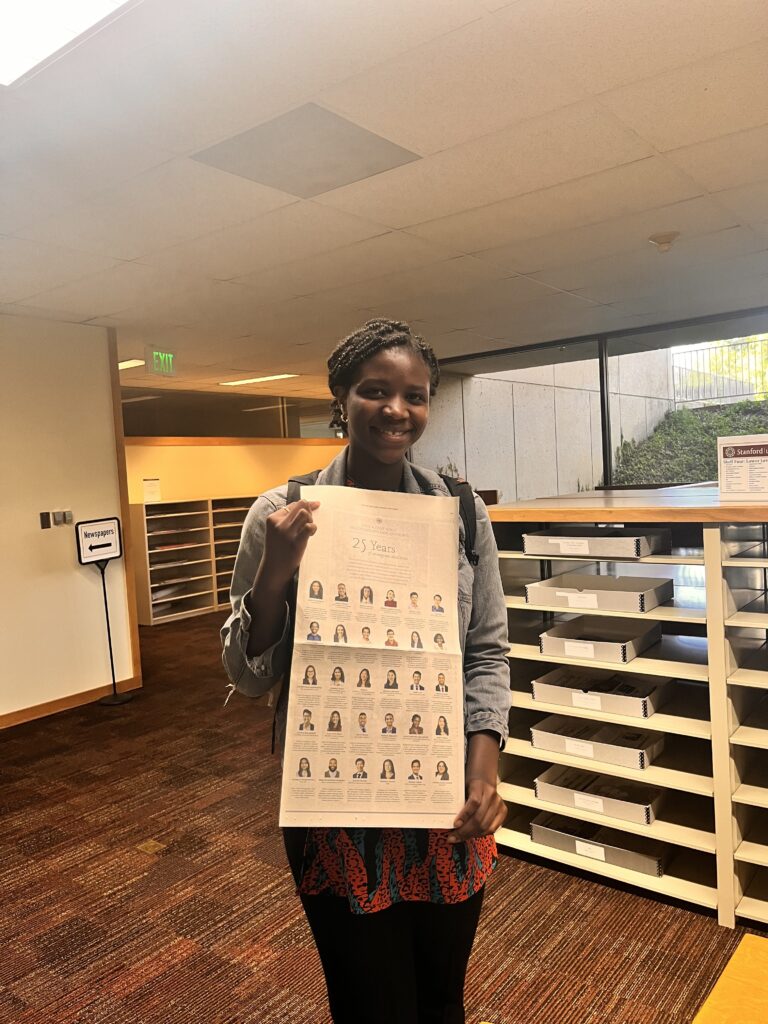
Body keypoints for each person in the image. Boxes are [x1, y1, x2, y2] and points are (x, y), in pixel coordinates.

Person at [221, 318, 510, 1024]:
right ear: (340, 399)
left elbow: (487, 652)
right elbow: (248, 675)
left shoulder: (462, 513)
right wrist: (275, 574)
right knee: (367, 1002)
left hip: (441, 798)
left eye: (415, 396)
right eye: (375, 391)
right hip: (336, 801)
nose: (395, 410)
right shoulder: (281, 512)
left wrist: (485, 767)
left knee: (441, 999)